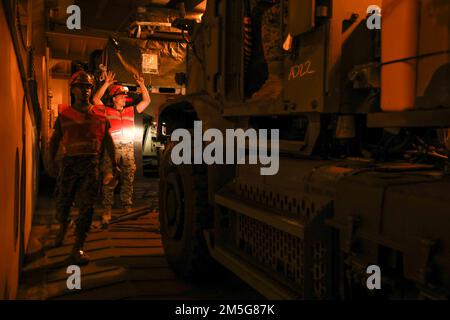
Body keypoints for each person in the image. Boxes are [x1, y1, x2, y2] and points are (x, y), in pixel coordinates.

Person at [49, 70, 118, 265]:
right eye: (80, 87)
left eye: (88, 87)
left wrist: (114, 164)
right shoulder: (64, 115)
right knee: (63, 203)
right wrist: (51, 161)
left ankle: (78, 247)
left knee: (86, 207)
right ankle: (63, 228)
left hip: (90, 165)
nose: (85, 90)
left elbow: (107, 140)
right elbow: (55, 141)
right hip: (69, 164)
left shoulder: (100, 114)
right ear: (73, 90)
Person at [93, 71, 151, 224]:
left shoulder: (130, 111)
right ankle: (107, 208)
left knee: (128, 176)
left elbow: (147, 101)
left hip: (127, 149)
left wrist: (142, 85)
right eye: (121, 96)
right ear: (114, 99)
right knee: (109, 178)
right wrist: (106, 84)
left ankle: (126, 205)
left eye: (125, 97)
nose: (124, 99)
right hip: (111, 150)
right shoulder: (106, 110)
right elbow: (95, 99)